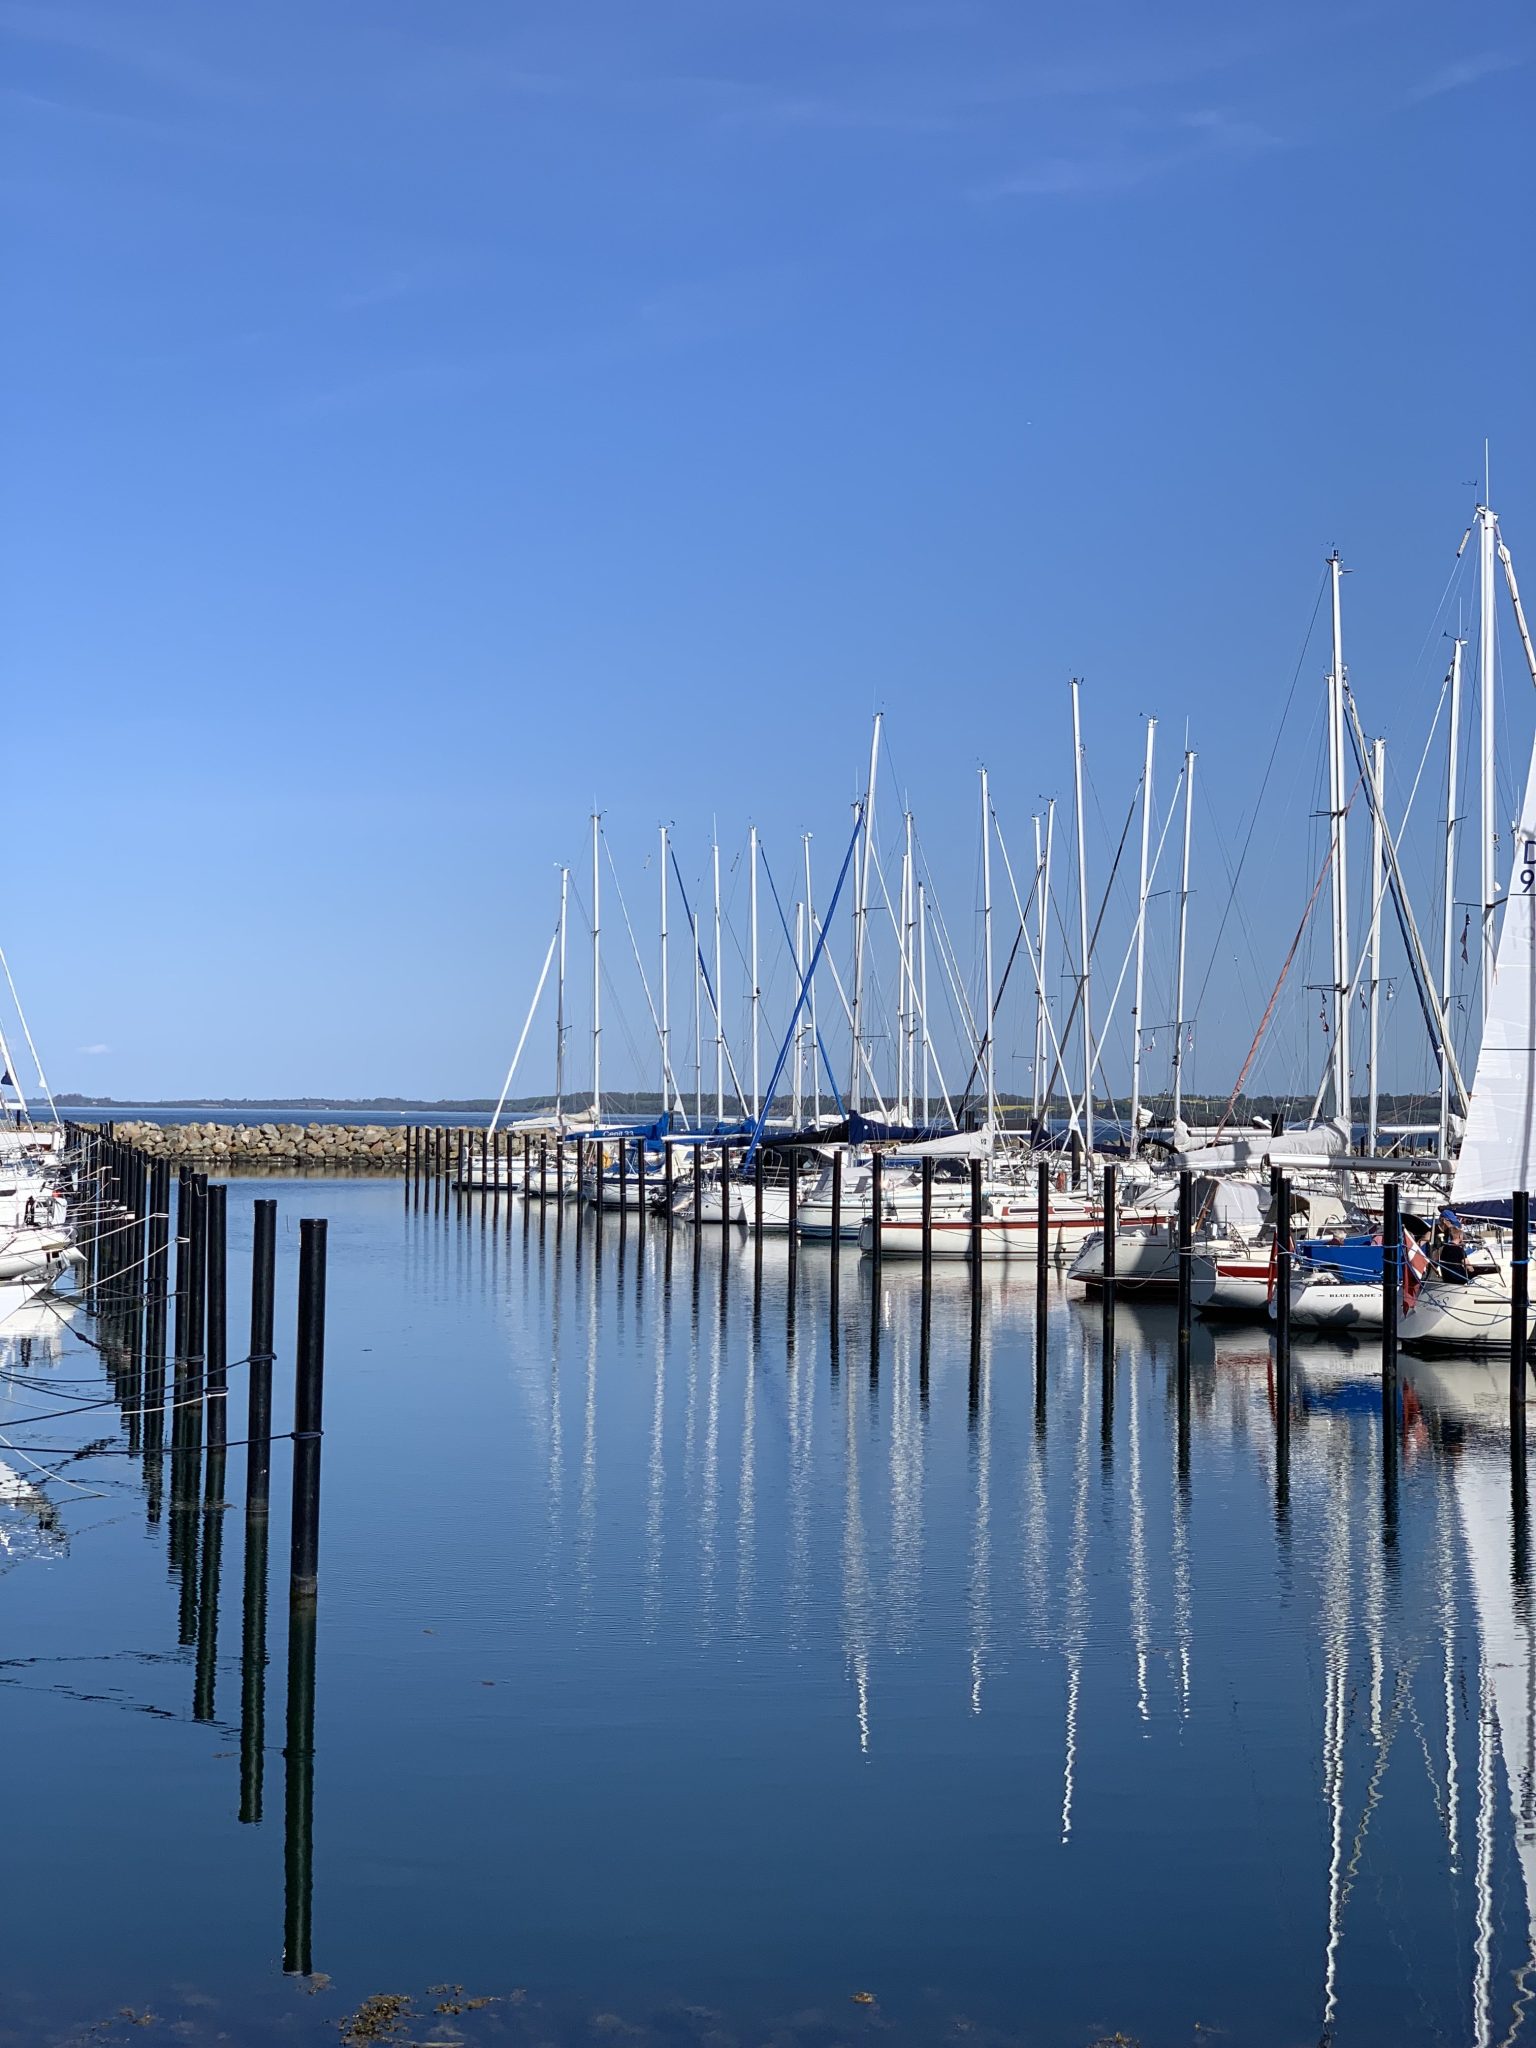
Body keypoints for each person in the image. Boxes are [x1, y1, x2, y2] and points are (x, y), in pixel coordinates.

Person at [1436, 1213, 1469, 1283]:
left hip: (1447, 1279)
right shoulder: (1460, 1250)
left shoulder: (1444, 1248)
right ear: (1460, 1237)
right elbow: (1469, 1267)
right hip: (1459, 1280)